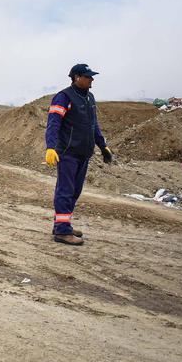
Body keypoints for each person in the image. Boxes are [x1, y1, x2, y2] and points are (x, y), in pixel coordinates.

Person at [44, 63, 113, 246]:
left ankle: (62, 223)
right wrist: (50, 147)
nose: (92, 79)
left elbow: (94, 125)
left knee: (75, 191)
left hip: (84, 152)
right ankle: (62, 231)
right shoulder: (63, 97)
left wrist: (102, 146)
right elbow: (54, 124)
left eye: (92, 76)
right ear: (76, 77)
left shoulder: (89, 97)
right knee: (65, 190)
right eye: (88, 76)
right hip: (68, 152)